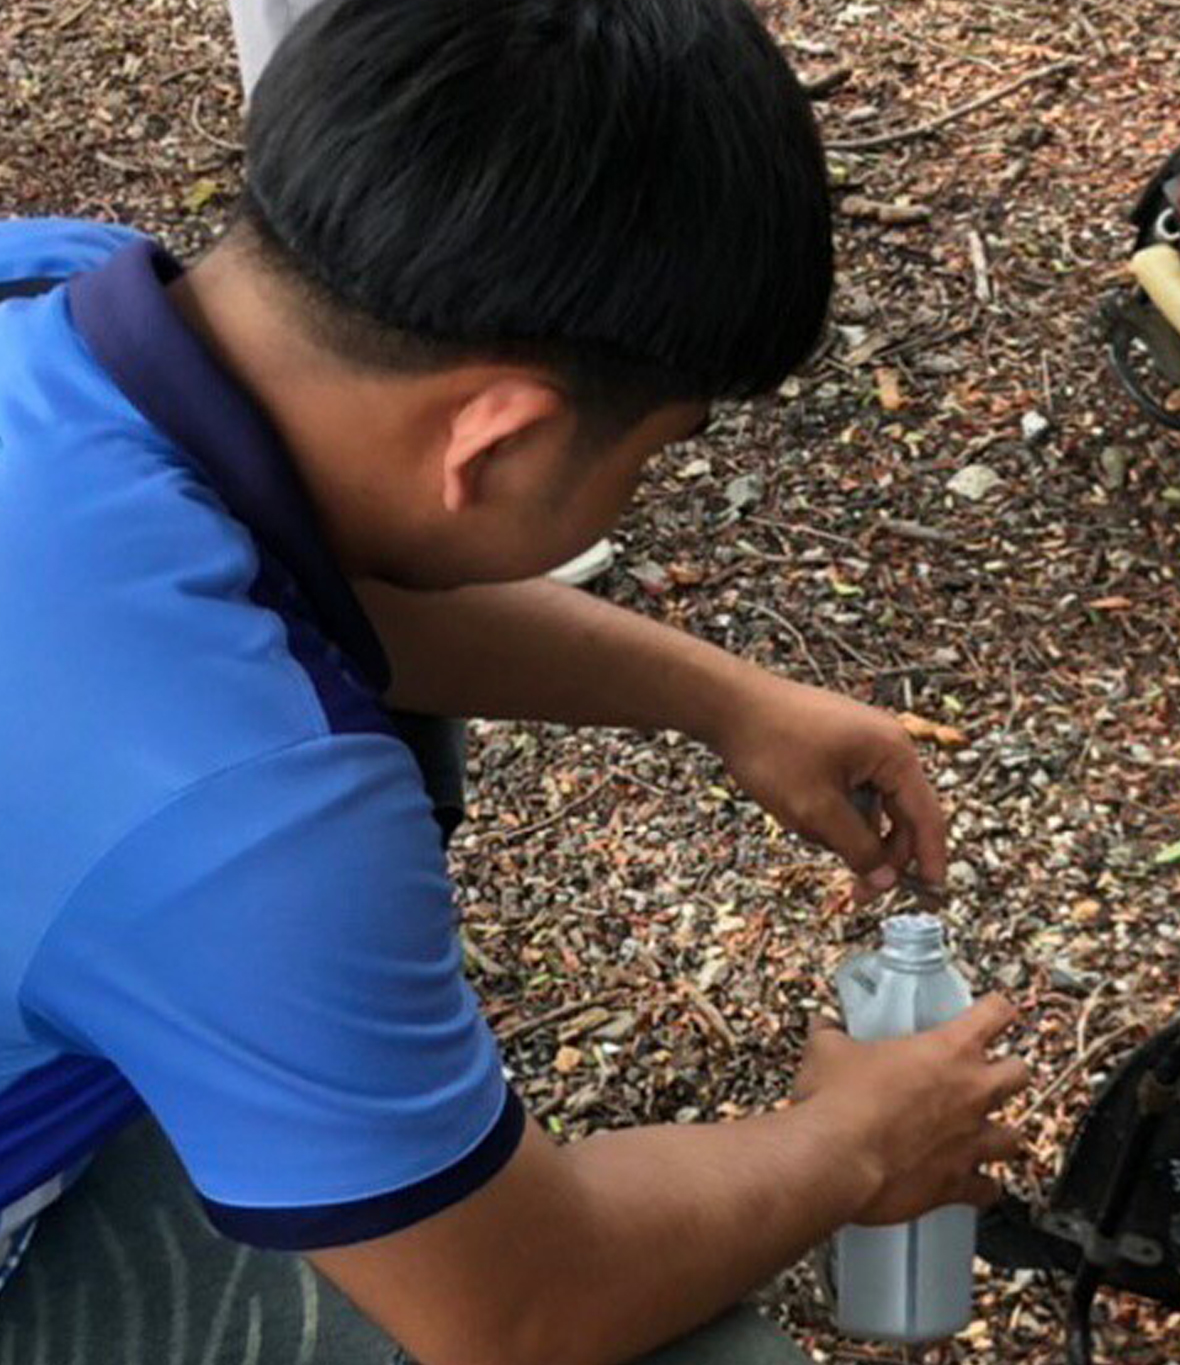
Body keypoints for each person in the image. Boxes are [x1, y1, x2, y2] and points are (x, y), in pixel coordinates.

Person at [0, 2, 1029, 1363]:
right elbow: (519, 1305)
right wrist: (857, 1144)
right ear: (496, 440)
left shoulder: (54, 288)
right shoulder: (245, 811)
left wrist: (726, 700)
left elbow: (297, 586)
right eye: (652, 456)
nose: (648, 487)